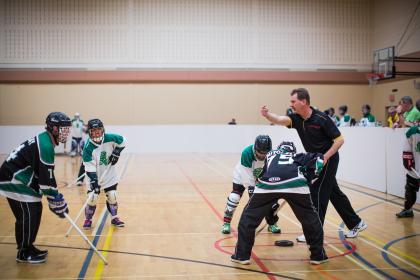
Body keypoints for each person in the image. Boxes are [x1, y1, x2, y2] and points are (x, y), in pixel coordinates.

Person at [260, 88, 366, 242]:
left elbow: (339, 140)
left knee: (317, 193)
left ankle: (313, 232)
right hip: (315, 159)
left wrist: (324, 158)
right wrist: (267, 115)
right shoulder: (296, 118)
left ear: (303, 102)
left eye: (293, 101)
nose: (291, 104)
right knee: (333, 193)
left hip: (328, 159)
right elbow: (280, 119)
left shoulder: (322, 118)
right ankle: (356, 223)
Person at [232, 141, 327, 265]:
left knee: (248, 218)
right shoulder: (297, 156)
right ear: (292, 150)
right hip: (296, 183)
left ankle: (242, 255)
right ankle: (318, 256)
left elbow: (265, 173)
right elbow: (319, 160)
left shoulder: (270, 155)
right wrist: (310, 178)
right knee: (310, 219)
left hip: (268, 184)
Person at [0, 112, 71, 263]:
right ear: (53, 128)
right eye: (62, 128)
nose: (66, 132)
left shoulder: (45, 140)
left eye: (67, 129)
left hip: (19, 178)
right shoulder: (45, 145)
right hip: (13, 180)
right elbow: (46, 179)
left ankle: (28, 246)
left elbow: (43, 175)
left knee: (35, 210)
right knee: (28, 214)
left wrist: (53, 198)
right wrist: (55, 198)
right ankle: (24, 252)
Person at [221, 135, 281, 235]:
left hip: (261, 177)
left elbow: (272, 172)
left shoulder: (272, 154)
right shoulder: (247, 153)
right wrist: (255, 199)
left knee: (270, 202)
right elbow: (248, 180)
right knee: (234, 197)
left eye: (265, 153)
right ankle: (226, 223)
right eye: (260, 153)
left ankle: (272, 223)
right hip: (242, 175)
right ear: (256, 148)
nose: (262, 156)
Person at [82, 118, 127, 229]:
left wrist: (116, 153)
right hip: (94, 175)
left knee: (112, 196)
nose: (97, 132)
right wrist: (94, 181)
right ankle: (88, 219)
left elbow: (123, 141)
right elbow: (89, 167)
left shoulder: (110, 138)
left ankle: (114, 217)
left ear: (103, 130)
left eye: (99, 129)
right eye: (94, 130)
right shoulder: (88, 147)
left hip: (109, 175)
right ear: (89, 132)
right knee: (92, 198)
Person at [396, 101, 420, 218]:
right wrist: (408, 163)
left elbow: (406, 151)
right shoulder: (413, 131)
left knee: (410, 189)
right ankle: (408, 210)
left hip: (416, 169)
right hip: (415, 169)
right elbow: (407, 153)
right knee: (410, 189)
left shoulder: (413, 131)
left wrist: (408, 162)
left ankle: (408, 209)